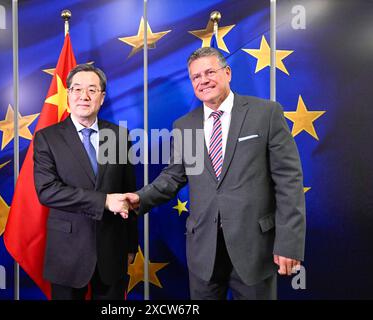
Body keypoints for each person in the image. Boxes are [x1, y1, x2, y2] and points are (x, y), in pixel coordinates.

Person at [124, 47, 306, 300]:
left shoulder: (266, 113)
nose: (203, 80)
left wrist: (289, 243)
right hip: (203, 253)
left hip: (255, 248)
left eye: (210, 72)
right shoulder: (184, 125)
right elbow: (173, 177)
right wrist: (139, 198)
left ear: (228, 73)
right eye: (196, 77)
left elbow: (289, 181)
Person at [33, 63, 138, 300]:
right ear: (68, 95)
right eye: (77, 89)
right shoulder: (46, 138)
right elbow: (47, 191)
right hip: (66, 253)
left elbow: (129, 192)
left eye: (92, 90)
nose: (84, 96)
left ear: (101, 98)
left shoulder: (120, 136)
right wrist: (104, 202)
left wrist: (131, 244)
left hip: (113, 250)